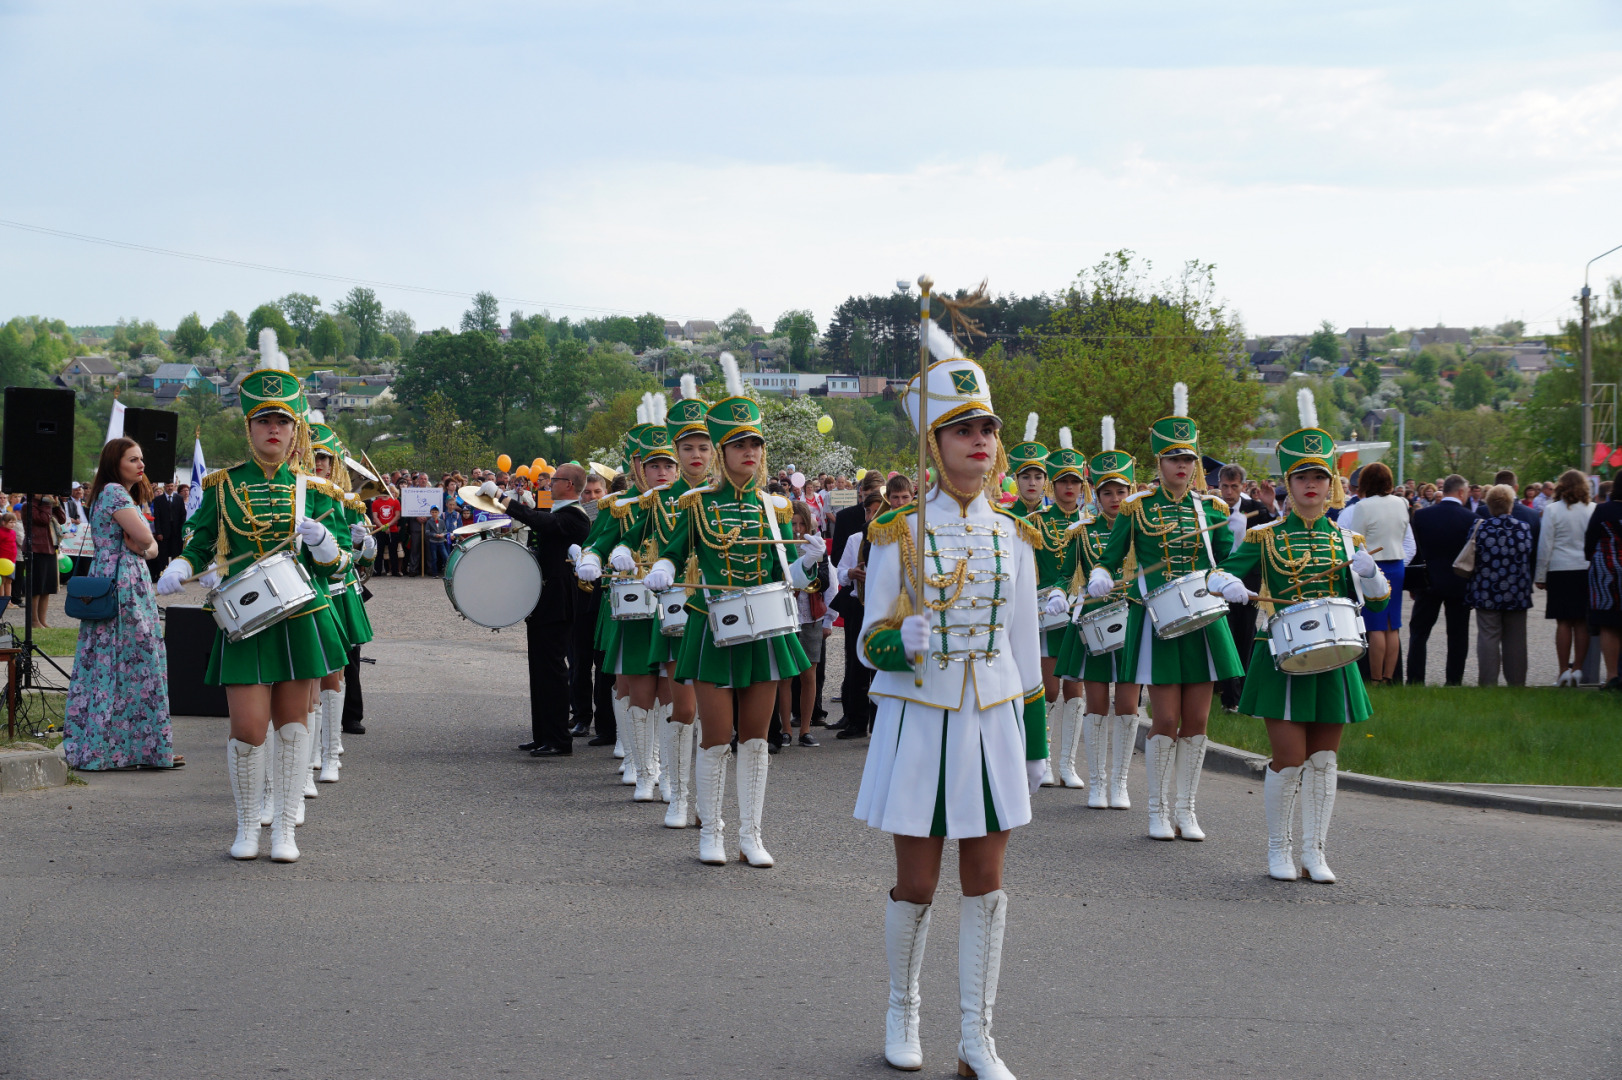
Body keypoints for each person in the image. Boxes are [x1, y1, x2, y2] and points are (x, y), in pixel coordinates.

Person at [852, 344, 1044, 1079]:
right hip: (921, 718)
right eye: (964, 430)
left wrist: (1033, 746)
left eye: (988, 429)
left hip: (990, 720)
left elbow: (1026, 655)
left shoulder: (1014, 536)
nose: (981, 442)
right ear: (933, 446)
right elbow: (868, 642)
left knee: (987, 881)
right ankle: (903, 1010)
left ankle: (976, 1039)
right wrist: (902, 639)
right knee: (920, 881)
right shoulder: (896, 531)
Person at [155, 330, 352, 863]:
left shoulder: (318, 491)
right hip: (246, 618)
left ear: (296, 432)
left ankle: (284, 828)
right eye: (264, 420)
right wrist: (181, 564)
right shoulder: (222, 485)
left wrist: (326, 543)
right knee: (247, 726)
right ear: (249, 427)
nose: (273, 429)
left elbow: (344, 566)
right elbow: (199, 541)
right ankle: (248, 824)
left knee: (292, 725)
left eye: (282, 421)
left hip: (301, 614)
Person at [644, 355, 818, 867]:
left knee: (758, 738)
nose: (749, 452)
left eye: (755, 444)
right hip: (710, 624)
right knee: (717, 736)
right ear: (723, 452)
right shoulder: (695, 504)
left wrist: (809, 563)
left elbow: (788, 573)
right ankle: (711, 832)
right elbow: (674, 548)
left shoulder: (775, 507)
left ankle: (751, 834)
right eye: (740, 444)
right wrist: (666, 569)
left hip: (764, 628)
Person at [1215, 390, 1391, 883]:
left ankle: (1315, 851)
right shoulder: (1264, 536)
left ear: (1331, 483)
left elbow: (1375, 602)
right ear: (1287, 484)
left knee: (1325, 758)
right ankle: (1279, 849)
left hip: (1334, 657)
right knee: (1288, 759)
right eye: (1302, 477)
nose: (1311, 485)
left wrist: (1371, 574)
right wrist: (1228, 583)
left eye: (1320, 476)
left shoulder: (1347, 539)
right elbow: (1221, 574)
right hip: (1282, 654)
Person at [1085, 382, 1243, 841]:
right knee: (1167, 720)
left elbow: (1224, 563)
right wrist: (1099, 573)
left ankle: (1186, 809)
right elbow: (1111, 558)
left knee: (1197, 723)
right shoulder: (1137, 509)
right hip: (1159, 620)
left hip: (1204, 620)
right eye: (1174, 459)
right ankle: (1156, 810)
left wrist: (1230, 577)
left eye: (1189, 459)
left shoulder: (1211, 509)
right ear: (1159, 463)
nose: (1182, 466)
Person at [575, 396, 678, 789]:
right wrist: (591, 557)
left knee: (671, 693)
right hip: (633, 606)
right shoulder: (622, 508)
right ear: (640, 468)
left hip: (672, 607)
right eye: (655, 465)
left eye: (669, 463)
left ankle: (668, 772)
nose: (664, 472)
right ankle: (641, 763)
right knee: (633, 686)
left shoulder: (689, 505)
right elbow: (596, 544)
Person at [62, 437, 178, 771]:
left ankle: (124, 746)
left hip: (117, 574)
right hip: (122, 580)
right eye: (133, 460)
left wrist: (148, 547)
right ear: (116, 464)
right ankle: (130, 746)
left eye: (141, 459)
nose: (141, 465)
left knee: (112, 660)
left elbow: (150, 545)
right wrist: (147, 547)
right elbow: (145, 540)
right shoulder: (114, 491)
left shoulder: (114, 493)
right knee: (133, 657)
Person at [1055, 416, 1142, 809]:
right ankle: (1097, 782)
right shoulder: (1083, 532)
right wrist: (1060, 595)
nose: (1114, 498)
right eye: (1107, 491)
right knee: (1095, 703)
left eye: (1121, 491)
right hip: (1093, 622)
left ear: (1131, 491)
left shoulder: (1145, 528)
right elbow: (1063, 572)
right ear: (1097, 493)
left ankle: (1120, 783)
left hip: (1134, 620)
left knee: (1127, 704)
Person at [500, 464, 593, 758]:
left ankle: (558, 739)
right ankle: (543, 735)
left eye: (554, 480)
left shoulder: (575, 517)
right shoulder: (561, 514)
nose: (549, 484)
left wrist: (505, 502)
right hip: (545, 600)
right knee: (539, 671)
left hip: (558, 603)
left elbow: (540, 522)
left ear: (568, 484)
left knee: (552, 672)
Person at [1025, 426, 1089, 787]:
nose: (1069, 488)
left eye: (1075, 482)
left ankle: (1068, 763)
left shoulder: (1090, 526)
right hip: (1045, 613)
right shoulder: (1037, 523)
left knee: (1075, 687)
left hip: (1078, 615)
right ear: (1053, 485)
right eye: (1063, 482)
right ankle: (1045, 758)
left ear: (1082, 487)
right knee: (1049, 688)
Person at [1339, 461, 1413, 685]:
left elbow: (1356, 539)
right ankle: (1389, 676)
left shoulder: (1363, 506)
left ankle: (1375, 677)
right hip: (1397, 564)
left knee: (1376, 625)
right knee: (1393, 625)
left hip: (1374, 566)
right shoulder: (1402, 502)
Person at [1216, 463, 1274, 711]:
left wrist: (1271, 507)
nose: (1229, 492)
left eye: (1234, 487)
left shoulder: (1254, 507)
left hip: (1249, 583)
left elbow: (1272, 529)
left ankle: (1243, 694)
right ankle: (1228, 696)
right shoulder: (1213, 508)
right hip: (1218, 582)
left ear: (1242, 486)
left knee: (1245, 636)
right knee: (1225, 638)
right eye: (1224, 487)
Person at [1408, 474, 1476, 685]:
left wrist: (1414, 582)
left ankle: (1415, 679)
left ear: (1443, 491)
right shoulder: (1471, 519)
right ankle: (1454, 680)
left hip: (1427, 581)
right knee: (1457, 635)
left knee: (1419, 633)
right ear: (1462, 492)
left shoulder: (1422, 516)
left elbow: (1414, 550)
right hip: (1459, 582)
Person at [1468, 483, 1534, 686]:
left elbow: (1472, 557)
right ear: (1510, 505)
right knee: (1516, 640)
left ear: (1489, 505)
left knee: (1488, 638)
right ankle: (1516, 683)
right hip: (1517, 592)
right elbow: (1529, 555)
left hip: (1487, 592)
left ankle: (1488, 683)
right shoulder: (1523, 528)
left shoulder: (1480, 528)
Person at [831, 490, 885, 740]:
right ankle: (856, 720)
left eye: (876, 511)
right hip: (859, 605)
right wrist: (851, 573)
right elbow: (840, 571)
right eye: (868, 511)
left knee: (881, 665)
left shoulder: (891, 538)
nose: (871, 516)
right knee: (856, 665)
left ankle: (880, 723)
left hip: (883, 607)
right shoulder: (856, 539)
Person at [777, 500, 829, 748]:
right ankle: (785, 728)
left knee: (809, 674)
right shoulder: (781, 545)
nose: (797, 529)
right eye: (793, 523)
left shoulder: (816, 545)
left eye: (801, 524)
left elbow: (828, 580)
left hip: (811, 614)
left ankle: (805, 729)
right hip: (786, 614)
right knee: (785, 676)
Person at [1536, 468, 1595, 686]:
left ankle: (1563, 670)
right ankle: (1578, 668)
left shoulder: (1552, 510)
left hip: (1560, 569)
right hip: (1585, 568)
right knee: (1581, 622)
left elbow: (1546, 544)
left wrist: (1540, 575)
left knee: (1563, 622)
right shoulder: (1593, 509)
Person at [1585, 481, 1622, 688]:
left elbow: (1589, 542)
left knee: (1609, 624)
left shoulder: (1602, 510)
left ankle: (1612, 676)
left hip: (1607, 573)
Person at [25, 494, 66, 629]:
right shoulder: (29, 505)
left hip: (50, 548)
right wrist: (47, 504)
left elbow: (62, 519)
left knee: (47, 587)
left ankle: (42, 620)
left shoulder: (47, 505)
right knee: (36, 587)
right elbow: (42, 520)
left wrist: (57, 504)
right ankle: (34, 621)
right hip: (36, 548)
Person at [1476, 469, 1540, 552]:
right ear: (1516, 488)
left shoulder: (1482, 511)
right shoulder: (1532, 515)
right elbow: (1534, 550)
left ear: (1494, 488)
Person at [1006, 412, 1050, 518]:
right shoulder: (1003, 516)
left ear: (1045, 480)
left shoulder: (1053, 517)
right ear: (1016, 479)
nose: (1032, 483)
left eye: (1038, 477)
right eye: (1025, 477)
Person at [372, 485, 402, 575]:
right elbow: (375, 517)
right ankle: (377, 571)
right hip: (380, 530)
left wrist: (388, 525)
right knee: (379, 551)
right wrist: (383, 527)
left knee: (393, 551)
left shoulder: (395, 501)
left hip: (393, 529)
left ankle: (395, 571)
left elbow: (397, 515)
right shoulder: (375, 502)